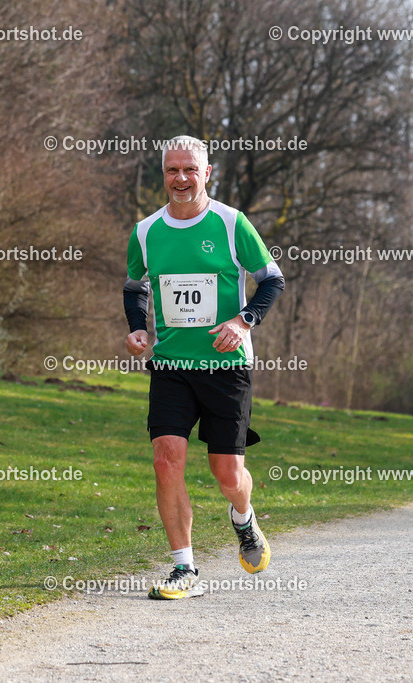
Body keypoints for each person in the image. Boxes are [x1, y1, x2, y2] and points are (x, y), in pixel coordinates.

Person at [122, 135, 285, 600]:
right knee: (166, 458)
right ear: (163, 174)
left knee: (227, 474)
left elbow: (272, 279)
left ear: (207, 172)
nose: (181, 178)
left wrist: (243, 320)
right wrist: (138, 329)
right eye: (172, 170)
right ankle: (183, 567)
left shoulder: (232, 224)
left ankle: (244, 518)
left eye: (190, 169)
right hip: (171, 365)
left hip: (226, 366)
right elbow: (135, 286)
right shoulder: (145, 231)